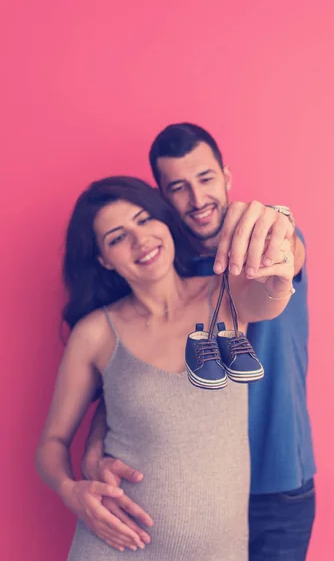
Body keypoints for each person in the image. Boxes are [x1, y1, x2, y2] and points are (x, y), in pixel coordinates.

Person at [82, 123, 316, 560]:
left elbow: (289, 250)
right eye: (179, 187)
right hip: (193, 493)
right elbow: (133, 373)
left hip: (276, 483)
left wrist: (281, 223)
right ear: (162, 195)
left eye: (206, 179)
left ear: (226, 176)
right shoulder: (162, 266)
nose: (197, 199)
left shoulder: (267, 243)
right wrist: (95, 446)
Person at [35, 175, 295, 560]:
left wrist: (282, 252)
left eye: (144, 220)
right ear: (104, 259)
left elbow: (272, 294)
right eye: (117, 237)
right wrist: (71, 491)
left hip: (218, 549)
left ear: (164, 221)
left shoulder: (225, 293)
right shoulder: (95, 334)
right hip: (114, 545)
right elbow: (51, 444)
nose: (140, 240)